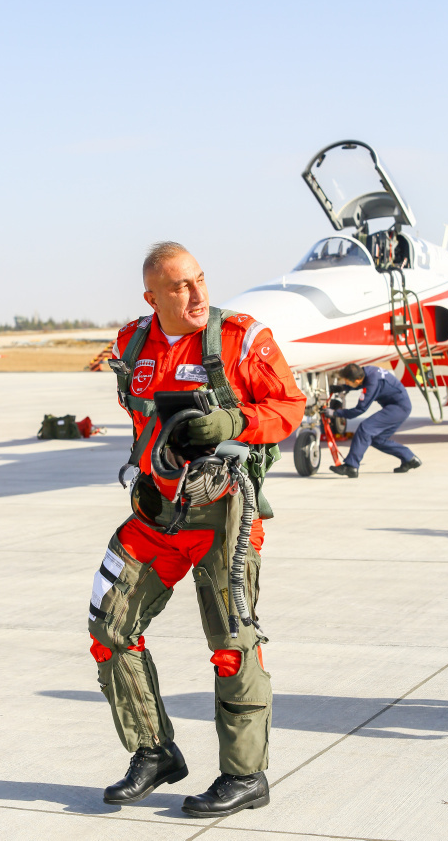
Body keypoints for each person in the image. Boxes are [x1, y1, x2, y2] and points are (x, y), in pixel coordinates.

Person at [87, 242, 306, 817]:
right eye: (179, 286)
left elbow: (290, 407)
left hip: (225, 515)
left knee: (232, 644)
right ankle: (153, 752)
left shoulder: (241, 339)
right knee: (109, 628)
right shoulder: (131, 344)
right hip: (156, 515)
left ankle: (245, 776)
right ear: (152, 297)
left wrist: (233, 420)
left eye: (200, 279)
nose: (197, 294)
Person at [324, 363, 421, 477]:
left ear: (357, 380)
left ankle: (351, 466)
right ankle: (409, 458)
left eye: (347, 382)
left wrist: (335, 413)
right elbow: (361, 383)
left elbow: (359, 409)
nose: (346, 383)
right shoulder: (366, 372)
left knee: (365, 428)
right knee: (376, 439)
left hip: (399, 408)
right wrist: (344, 388)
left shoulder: (372, 383)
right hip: (397, 406)